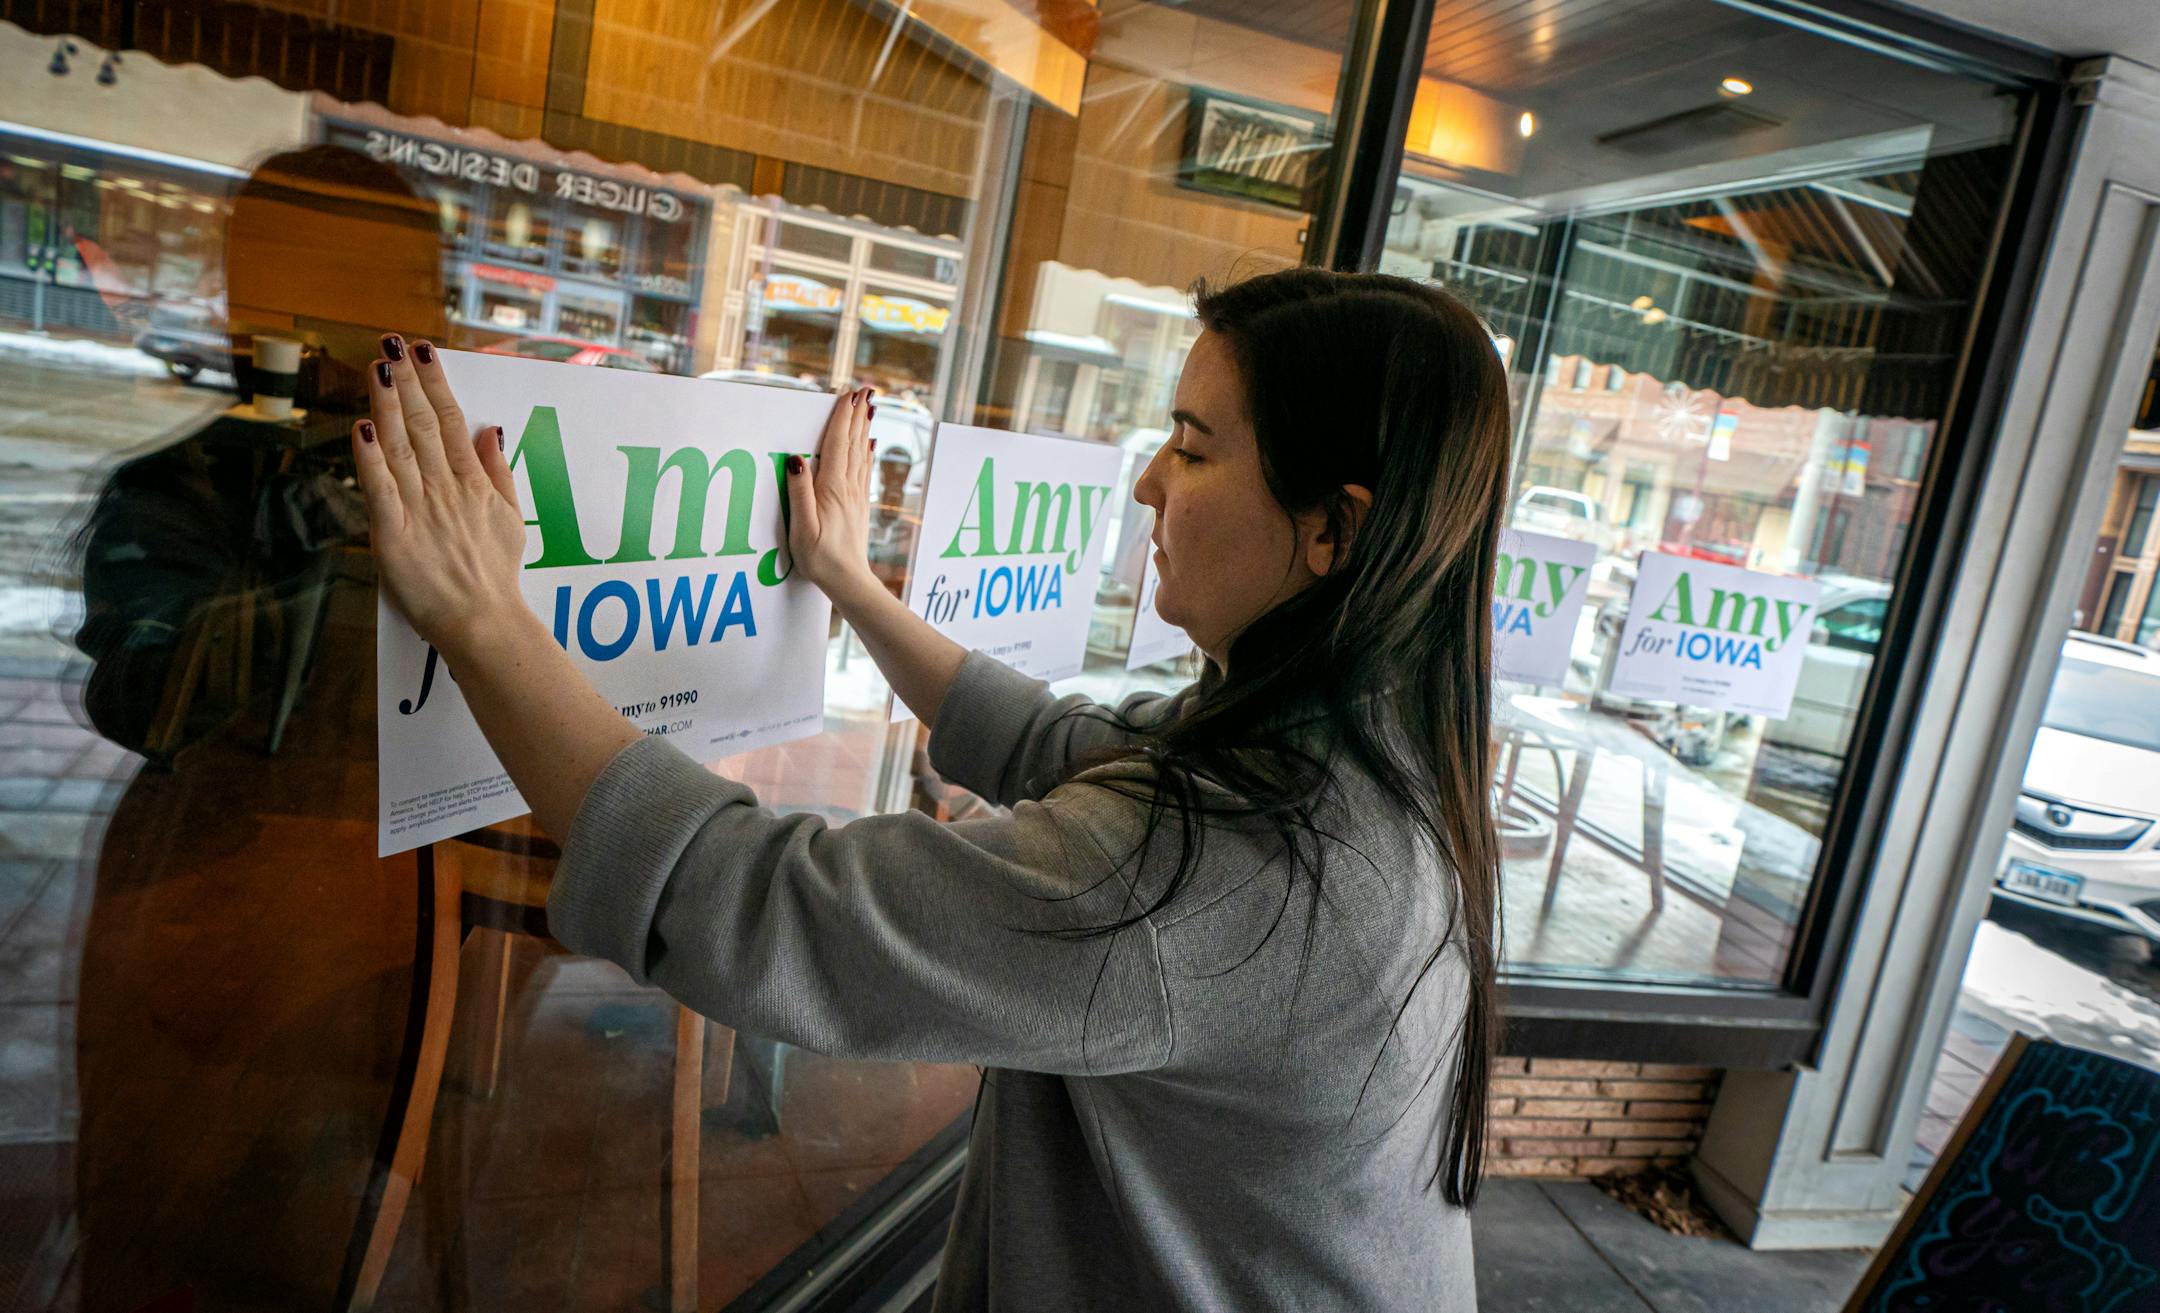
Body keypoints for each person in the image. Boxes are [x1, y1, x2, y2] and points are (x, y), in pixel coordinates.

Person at [352, 268, 1510, 1309]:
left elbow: (756, 905)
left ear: (1333, 528)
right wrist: (850, 580)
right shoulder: (1363, 740)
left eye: (1197, 447)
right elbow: (1067, 744)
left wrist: (486, 618)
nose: (1151, 481)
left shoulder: (1233, 863)